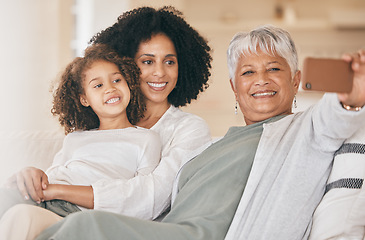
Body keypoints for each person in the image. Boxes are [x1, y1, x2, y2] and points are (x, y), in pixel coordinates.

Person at [35, 24, 365, 240]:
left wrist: (349, 98)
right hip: (168, 230)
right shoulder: (219, 142)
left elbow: (331, 121)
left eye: (274, 69)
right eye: (248, 72)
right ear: (235, 88)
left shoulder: (299, 130)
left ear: (295, 80)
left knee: (85, 226)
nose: (261, 79)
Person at [2, 5, 212, 239]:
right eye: (148, 61)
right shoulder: (93, 128)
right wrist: (33, 176)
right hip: (53, 209)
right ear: (129, 67)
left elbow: (152, 197)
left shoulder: (188, 129)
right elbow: (59, 172)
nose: (160, 72)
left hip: (114, 226)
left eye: (170, 61)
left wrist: (57, 190)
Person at [0, 43, 162, 238]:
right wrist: (33, 174)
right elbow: (52, 176)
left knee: (22, 216)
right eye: (98, 85)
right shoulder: (75, 138)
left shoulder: (146, 139)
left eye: (117, 80)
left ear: (128, 84)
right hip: (41, 200)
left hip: (77, 213)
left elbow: (141, 198)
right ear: (84, 99)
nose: (110, 89)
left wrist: (53, 191)